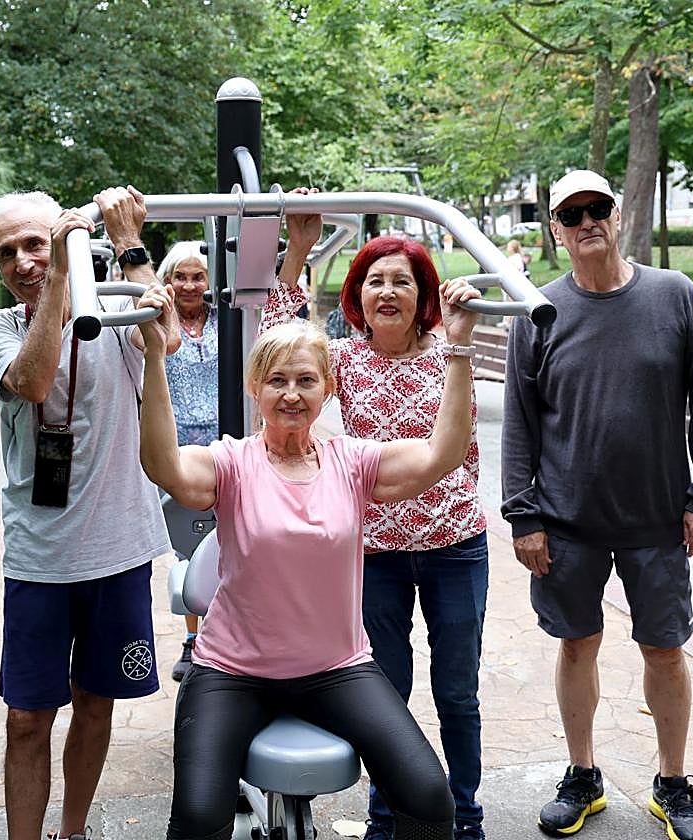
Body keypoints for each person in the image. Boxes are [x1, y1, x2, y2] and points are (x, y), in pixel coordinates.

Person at [140, 268, 484, 840]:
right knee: (200, 816)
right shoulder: (231, 464)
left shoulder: (354, 462)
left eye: (306, 380)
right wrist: (154, 359)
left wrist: (460, 347)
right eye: (277, 381)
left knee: (427, 796)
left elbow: (441, 454)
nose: (292, 394)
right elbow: (164, 466)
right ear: (256, 388)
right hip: (231, 672)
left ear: (328, 388)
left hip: (336, 668)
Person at [501, 170, 693, 840]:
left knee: (664, 648)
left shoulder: (675, 296)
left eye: (595, 208)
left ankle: (671, 783)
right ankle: (583, 776)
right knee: (577, 645)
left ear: (617, 214)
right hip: (567, 521)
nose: (585, 222)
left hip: (658, 519)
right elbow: (520, 421)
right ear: (556, 230)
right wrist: (524, 515)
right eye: (570, 215)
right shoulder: (539, 311)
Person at [269, 218, 490, 840]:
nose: (387, 292)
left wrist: (462, 326)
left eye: (401, 281)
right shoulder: (340, 360)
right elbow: (281, 338)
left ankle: (464, 814)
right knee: (384, 694)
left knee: (457, 692)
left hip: (455, 547)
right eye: (374, 281)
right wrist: (300, 251)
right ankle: (387, 817)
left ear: (424, 295)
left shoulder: (453, 350)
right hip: (373, 553)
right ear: (357, 296)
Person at [0, 187, 176, 840]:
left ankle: (74, 831)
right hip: (39, 556)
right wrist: (62, 274)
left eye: (37, 242)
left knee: (96, 703)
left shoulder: (111, 304)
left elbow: (166, 336)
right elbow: (33, 382)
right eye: (9, 252)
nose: (24, 260)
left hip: (118, 547)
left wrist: (126, 242)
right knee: (26, 717)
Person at [154, 240, 218, 682]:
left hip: (222, 441)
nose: (190, 284)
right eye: (181, 276)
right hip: (178, 448)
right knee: (189, 545)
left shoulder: (226, 320)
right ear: (167, 280)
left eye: (198, 276)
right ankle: (194, 638)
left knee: (229, 543)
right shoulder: (159, 323)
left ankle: (225, 632)